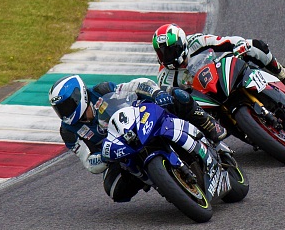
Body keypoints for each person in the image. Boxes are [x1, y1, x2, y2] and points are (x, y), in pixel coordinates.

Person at [48, 75, 228, 202]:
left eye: (66, 106)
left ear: (78, 96)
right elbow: (88, 161)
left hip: (138, 122)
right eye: (59, 109)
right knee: (114, 189)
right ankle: (158, 179)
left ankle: (210, 125)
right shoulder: (68, 131)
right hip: (118, 152)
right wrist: (104, 156)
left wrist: (156, 93)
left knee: (176, 95)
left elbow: (135, 86)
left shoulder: (101, 90)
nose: (63, 113)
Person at [152, 23, 285, 93]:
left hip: (223, 73)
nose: (166, 57)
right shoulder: (164, 77)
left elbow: (225, 41)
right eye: (161, 53)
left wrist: (239, 45)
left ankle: (284, 75)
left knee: (255, 45)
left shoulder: (196, 41)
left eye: (169, 51)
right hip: (206, 99)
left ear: (181, 45)